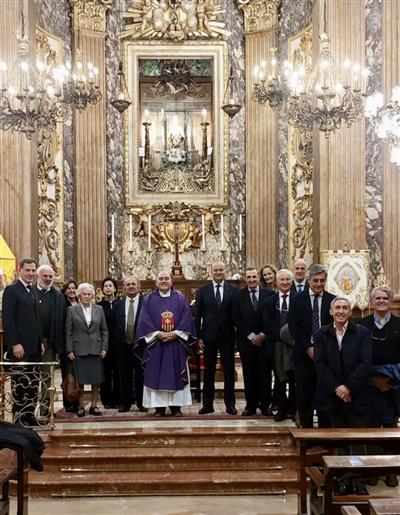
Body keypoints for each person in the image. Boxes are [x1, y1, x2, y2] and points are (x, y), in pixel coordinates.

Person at [314, 297, 375, 496]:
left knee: (357, 441)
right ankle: (341, 480)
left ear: (350, 311)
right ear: (331, 312)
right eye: (337, 307)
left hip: (357, 395)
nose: (341, 311)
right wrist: (337, 388)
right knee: (338, 441)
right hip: (333, 396)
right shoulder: (321, 333)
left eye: (345, 308)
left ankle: (358, 480)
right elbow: (320, 363)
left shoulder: (363, 333)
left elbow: (366, 363)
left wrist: (348, 387)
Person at [135, 271, 196, 416]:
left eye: (166, 278)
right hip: (156, 344)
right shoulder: (149, 299)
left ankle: (176, 407)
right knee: (156, 374)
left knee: (175, 372)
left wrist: (176, 333)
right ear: (156, 282)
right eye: (160, 278)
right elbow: (144, 320)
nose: (163, 281)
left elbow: (187, 318)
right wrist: (157, 334)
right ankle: (159, 407)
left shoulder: (180, 298)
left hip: (176, 344)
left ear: (171, 281)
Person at [357, 286, 400, 487]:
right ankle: (372, 470)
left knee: (390, 427)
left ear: (390, 301)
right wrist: (373, 378)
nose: (381, 301)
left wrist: (390, 379)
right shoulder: (362, 325)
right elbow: (356, 357)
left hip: (394, 385)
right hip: (369, 384)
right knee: (371, 427)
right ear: (372, 302)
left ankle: (391, 470)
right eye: (378, 298)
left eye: (385, 298)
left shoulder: (399, 324)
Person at [288, 263, 335, 428]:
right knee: (304, 396)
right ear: (309, 280)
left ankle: (325, 435)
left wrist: (321, 349)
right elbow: (293, 327)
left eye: (322, 281)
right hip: (303, 355)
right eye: (315, 281)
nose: (319, 284)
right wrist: (308, 347)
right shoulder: (296, 299)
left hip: (327, 357)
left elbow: (335, 327)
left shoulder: (332, 300)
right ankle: (307, 434)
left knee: (325, 395)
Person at [2, 258, 44, 426]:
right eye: (28, 270)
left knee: (33, 382)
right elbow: (8, 319)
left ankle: (29, 415)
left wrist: (40, 341)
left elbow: (36, 319)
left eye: (33, 271)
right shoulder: (12, 290)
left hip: (34, 345)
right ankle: (19, 417)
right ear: (20, 270)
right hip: (20, 346)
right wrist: (14, 343)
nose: (31, 274)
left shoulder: (33, 290)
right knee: (20, 383)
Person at [195, 261, 238, 415]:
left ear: (224, 271)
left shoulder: (233, 290)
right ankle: (207, 404)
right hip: (209, 337)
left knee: (228, 371)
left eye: (221, 270)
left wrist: (237, 337)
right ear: (211, 271)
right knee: (208, 372)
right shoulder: (202, 291)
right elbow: (197, 315)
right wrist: (198, 336)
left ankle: (230, 404)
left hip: (228, 336)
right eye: (216, 270)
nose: (218, 272)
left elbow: (237, 315)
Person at [233, 267, 272, 416]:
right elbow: (236, 318)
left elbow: (271, 317)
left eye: (254, 277)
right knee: (249, 375)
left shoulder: (268, 294)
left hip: (264, 341)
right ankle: (250, 405)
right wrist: (251, 336)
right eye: (248, 277)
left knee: (265, 375)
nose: (251, 280)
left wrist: (262, 335)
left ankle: (265, 405)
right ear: (245, 279)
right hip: (246, 342)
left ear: (258, 277)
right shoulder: (238, 296)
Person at [65, 283, 108, 417]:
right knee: (80, 381)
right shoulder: (72, 310)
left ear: (92, 295)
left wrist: (104, 348)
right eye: (84, 294)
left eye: (89, 294)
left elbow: (104, 330)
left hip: (96, 349)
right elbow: (68, 332)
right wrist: (69, 349)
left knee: (96, 380)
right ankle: (81, 406)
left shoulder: (99, 309)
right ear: (79, 295)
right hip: (79, 350)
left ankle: (94, 406)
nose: (87, 296)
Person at [263, 269, 296, 422]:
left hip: (295, 345)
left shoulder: (299, 299)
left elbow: (301, 322)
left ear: (291, 281)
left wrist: (291, 338)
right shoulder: (270, 301)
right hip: (276, 345)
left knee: (295, 378)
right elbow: (267, 323)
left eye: (287, 280)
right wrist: (283, 335)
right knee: (279, 379)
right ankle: (281, 409)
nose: (285, 283)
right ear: (277, 282)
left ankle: (294, 409)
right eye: (282, 280)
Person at [34, 264, 66, 418]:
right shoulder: (31, 292)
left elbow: (61, 319)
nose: (47, 279)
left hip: (49, 342)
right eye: (45, 276)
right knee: (31, 376)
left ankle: (45, 409)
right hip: (32, 342)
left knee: (47, 377)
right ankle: (28, 409)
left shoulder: (58, 295)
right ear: (38, 277)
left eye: (50, 276)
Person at [114, 276, 147, 413]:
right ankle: (125, 403)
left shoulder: (146, 304)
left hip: (141, 346)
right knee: (124, 375)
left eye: (134, 284)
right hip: (123, 346)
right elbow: (114, 326)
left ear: (139, 286)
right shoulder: (118, 305)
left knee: (141, 375)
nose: (131, 286)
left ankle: (142, 402)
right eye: (128, 284)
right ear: (124, 288)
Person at [97, 277, 119, 409]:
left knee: (118, 372)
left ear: (115, 288)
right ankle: (106, 400)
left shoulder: (120, 304)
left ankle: (117, 398)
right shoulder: (98, 306)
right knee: (105, 372)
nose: (108, 288)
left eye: (110, 285)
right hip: (104, 344)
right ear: (103, 289)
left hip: (118, 344)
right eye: (105, 286)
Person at [60, 278, 79, 412]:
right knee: (67, 375)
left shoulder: (81, 302)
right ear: (65, 291)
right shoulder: (62, 304)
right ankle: (68, 402)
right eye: (69, 288)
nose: (71, 291)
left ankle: (78, 400)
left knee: (78, 375)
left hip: (80, 344)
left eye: (73, 288)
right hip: (67, 344)